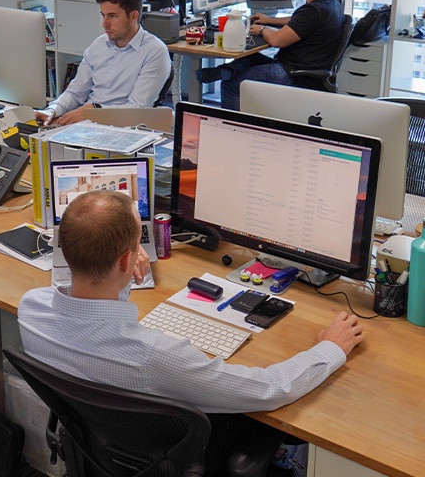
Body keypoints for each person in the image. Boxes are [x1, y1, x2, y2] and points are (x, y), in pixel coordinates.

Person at [18, 190, 364, 476]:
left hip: (101, 452)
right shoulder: (155, 356)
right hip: (175, 461)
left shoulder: (31, 309)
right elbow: (270, 389)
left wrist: (118, 278)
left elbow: (89, 302)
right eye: (140, 239)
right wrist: (330, 349)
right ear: (126, 260)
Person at [197, 0, 343, 110]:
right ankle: (227, 70)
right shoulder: (330, 3)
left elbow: (277, 40)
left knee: (232, 85)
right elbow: (298, 21)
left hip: (292, 74)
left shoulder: (313, 11)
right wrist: (269, 20)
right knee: (249, 56)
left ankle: (231, 127)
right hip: (298, 66)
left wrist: (261, 29)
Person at [36, 0, 171, 126]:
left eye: (112, 16)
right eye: (103, 15)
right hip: (87, 123)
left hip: (122, 129)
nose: (104, 24)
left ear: (133, 16)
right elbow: (75, 93)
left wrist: (95, 111)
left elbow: (137, 109)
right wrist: (52, 110)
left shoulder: (154, 51)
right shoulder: (99, 45)